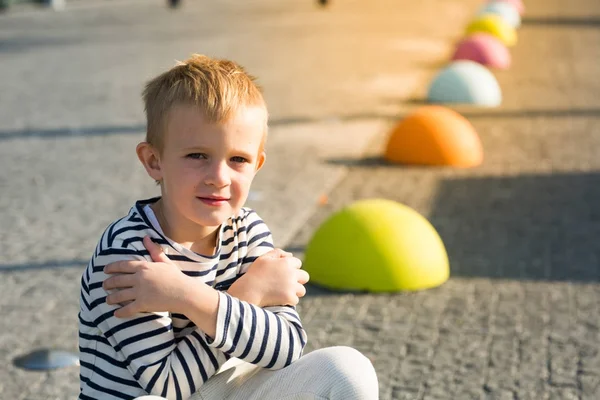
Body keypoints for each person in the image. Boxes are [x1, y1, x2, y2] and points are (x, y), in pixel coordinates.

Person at [78, 54, 379, 400]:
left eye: (238, 159)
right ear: (154, 161)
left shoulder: (248, 230)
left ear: (257, 164)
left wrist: (188, 296)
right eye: (197, 156)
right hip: (158, 393)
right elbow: (168, 385)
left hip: (223, 390)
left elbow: (286, 347)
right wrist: (245, 293)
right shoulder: (130, 252)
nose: (219, 178)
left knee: (347, 371)